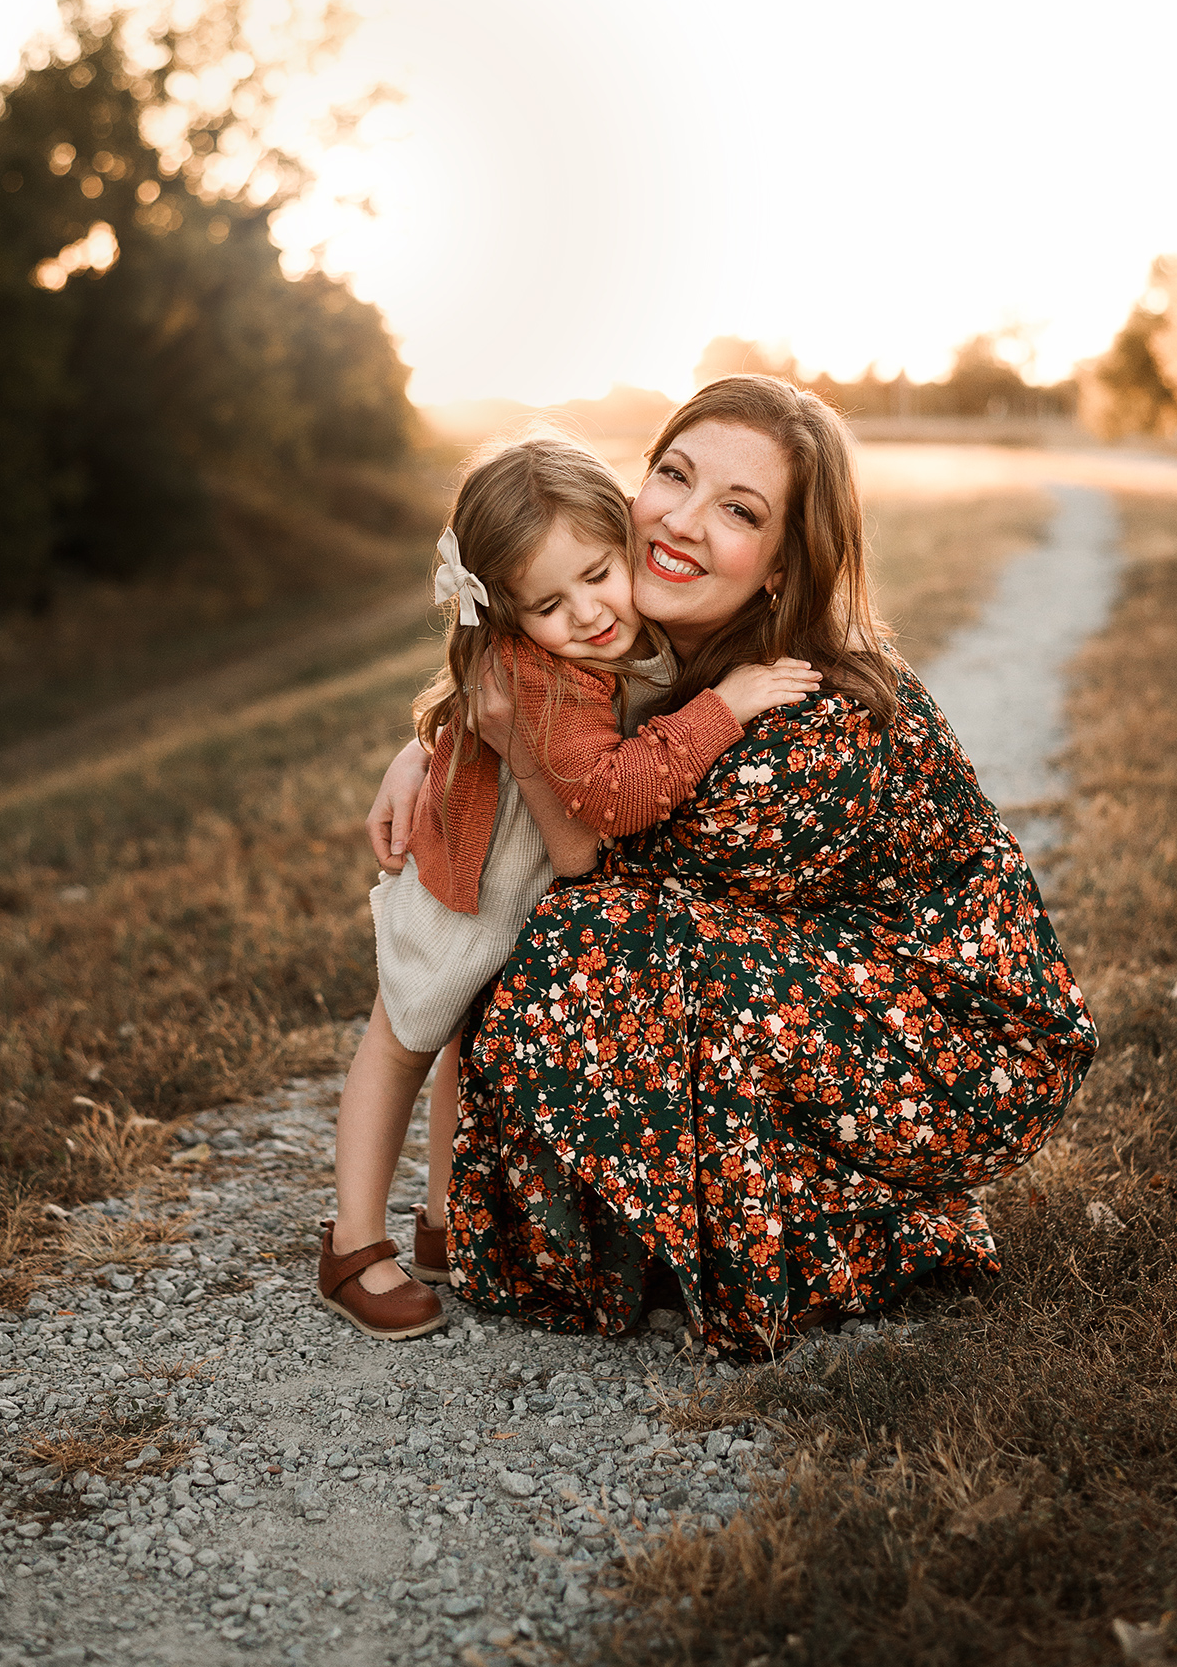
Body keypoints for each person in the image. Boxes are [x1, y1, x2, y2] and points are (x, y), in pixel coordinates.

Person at [367, 376, 1098, 1358]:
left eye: (740, 509)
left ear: (783, 566)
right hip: (830, 995)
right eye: (674, 473)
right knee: (572, 953)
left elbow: (593, 846)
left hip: (956, 1052)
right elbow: (538, 688)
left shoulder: (809, 717)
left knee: (576, 947)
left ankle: (861, 1217)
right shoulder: (652, 636)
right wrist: (437, 741)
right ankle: (719, 1209)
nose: (682, 519)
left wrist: (512, 743)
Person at [321, 434, 821, 1340]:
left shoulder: (626, 630)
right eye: (548, 605)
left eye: (599, 573)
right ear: (508, 615)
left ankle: (445, 1223)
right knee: (403, 1036)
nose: (590, 613)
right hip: (465, 881)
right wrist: (727, 706)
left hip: (516, 882)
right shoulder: (543, 679)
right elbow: (616, 799)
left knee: (462, 1036)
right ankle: (353, 1242)